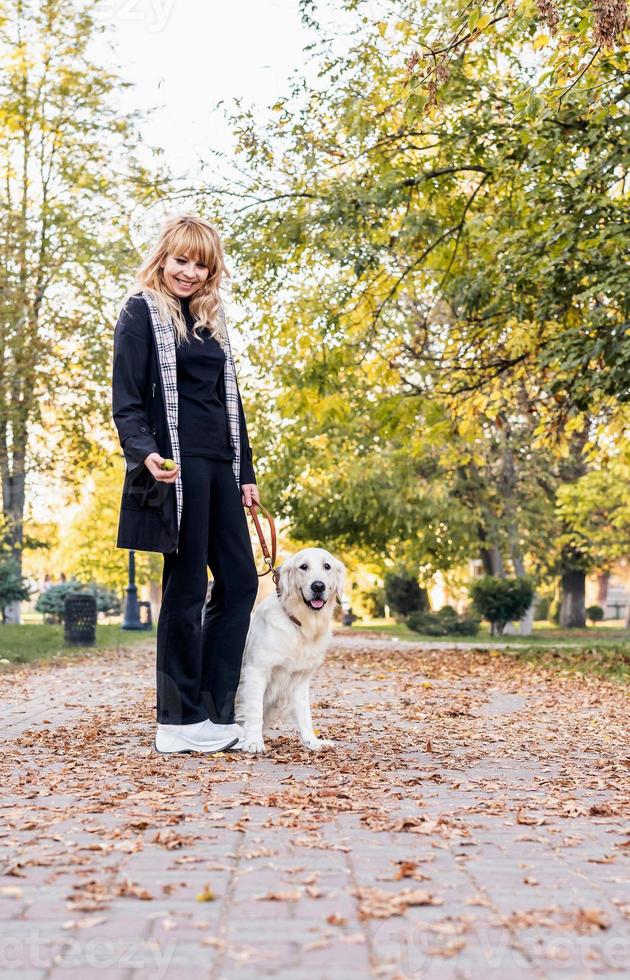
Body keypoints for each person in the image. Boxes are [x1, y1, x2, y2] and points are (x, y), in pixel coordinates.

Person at [111, 214, 261, 754]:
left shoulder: (211, 320)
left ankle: (217, 710)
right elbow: (126, 401)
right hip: (177, 465)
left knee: (241, 581)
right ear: (163, 258)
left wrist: (244, 473)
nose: (189, 272)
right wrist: (145, 452)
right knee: (187, 585)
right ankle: (177, 720)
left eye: (201, 264)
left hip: (222, 465)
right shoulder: (141, 312)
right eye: (181, 260)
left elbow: (232, 402)